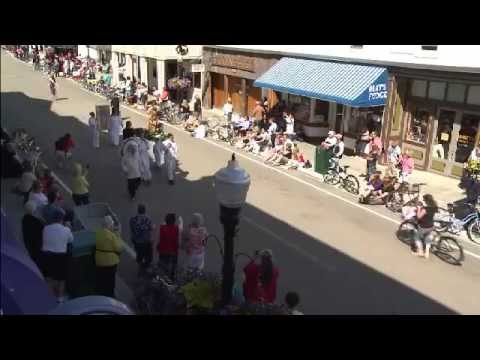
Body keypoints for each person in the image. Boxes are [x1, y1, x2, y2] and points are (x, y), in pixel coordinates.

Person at [41, 209, 73, 303]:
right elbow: (71, 240)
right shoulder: (66, 229)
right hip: (60, 257)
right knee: (61, 279)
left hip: (46, 256)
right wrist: (68, 228)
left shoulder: (46, 228)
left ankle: (50, 297)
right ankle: (60, 297)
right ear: (62, 219)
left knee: (49, 277)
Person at [95, 215, 123, 298]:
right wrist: (118, 235)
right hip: (110, 262)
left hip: (99, 260)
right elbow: (119, 248)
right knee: (111, 280)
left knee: (102, 279)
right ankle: (110, 295)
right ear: (110, 225)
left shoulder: (98, 233)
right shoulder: (111, 235)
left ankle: (102, 294)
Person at [157, 213, 183, 280]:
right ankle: (172, 276)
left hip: (163, 250)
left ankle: (162, 276)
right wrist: (181, 221)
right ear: (174, 221)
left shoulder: (162, 227)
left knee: (163, 263)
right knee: (173, 264)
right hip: (173, 251)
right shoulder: (176, 228)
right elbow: (180, 228)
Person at [130, 204, 154, 272]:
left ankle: (140, 262)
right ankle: (145, 266)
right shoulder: (147, 219)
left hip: (136, 240)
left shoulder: (133, 219)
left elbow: (132, 228)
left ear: (138, 210)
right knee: (149, 255)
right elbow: (151, 228)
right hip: (146, 241)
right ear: (144, 210)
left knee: (139, 253)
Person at [413, 194, 438, 259]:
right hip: (431, 226)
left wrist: (418, 209)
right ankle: (426, 253)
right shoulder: (434, 206)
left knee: (417, 237)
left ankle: (420, 252)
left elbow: (419, 217)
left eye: (424, 199)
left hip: (424, 226)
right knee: (428, 238)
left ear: (426, 200)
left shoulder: (425, 209)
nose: (423, 200)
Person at [22, 201, 45, 269]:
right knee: (36, 255)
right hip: (36, 242)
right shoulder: (37, 221)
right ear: (34, 209)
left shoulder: (24, 218)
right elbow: (42, 231)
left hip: (28, 240)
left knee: (32, 254)